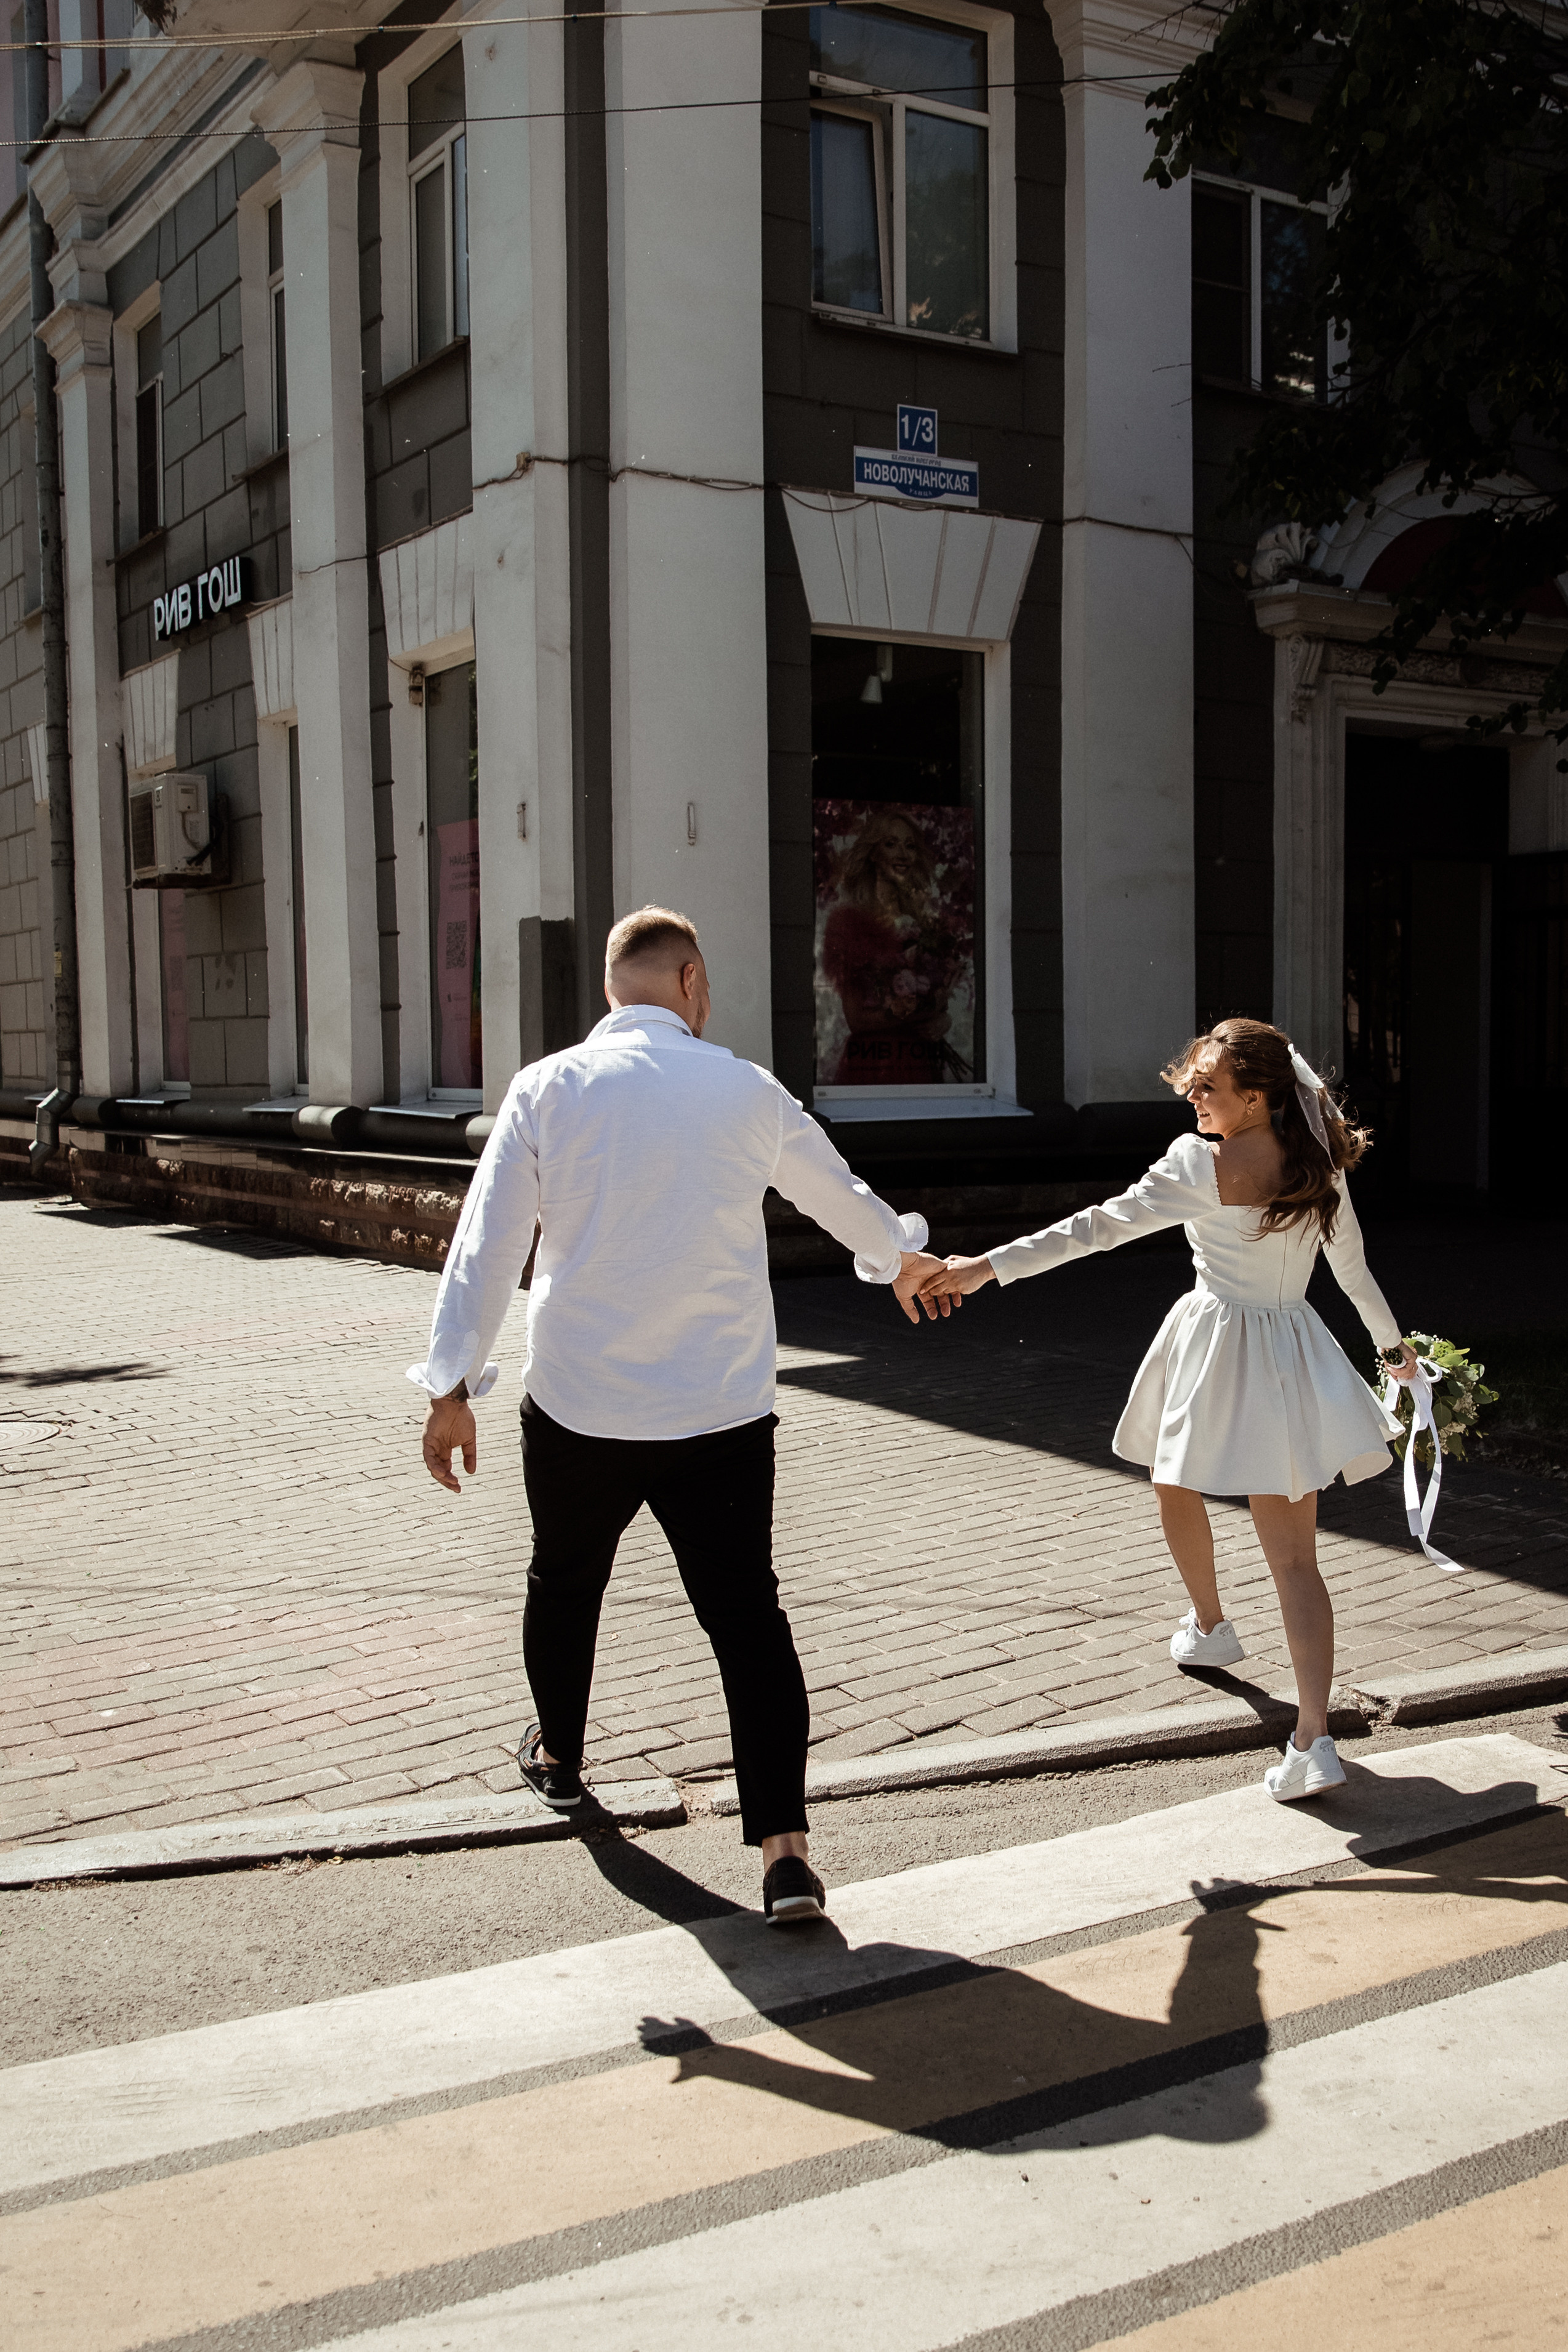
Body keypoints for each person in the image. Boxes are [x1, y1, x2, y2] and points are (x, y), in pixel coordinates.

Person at [411, 906, 949, 1924]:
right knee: (747, 1617)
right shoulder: (742, 1089)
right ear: (691, 980)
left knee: (564, 1584)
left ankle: (562, 1761)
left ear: (615, 992)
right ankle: (785, 1852)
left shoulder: (547, 1088)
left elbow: (488, 1247)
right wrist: (901, 1261)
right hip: (719, 1409)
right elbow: (840, 1199)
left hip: (580, 1403)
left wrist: (451, 1387)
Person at [919, 1018, 1419, 1802]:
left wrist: (983, 1269)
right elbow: (1352, 1269)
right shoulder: (1319, 1161)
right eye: (1191, 1079)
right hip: (1291, 1349)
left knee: (1179, 1477)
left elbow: (1095, 1229)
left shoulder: (1199, 1164)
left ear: (1255, 1097)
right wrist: (1395, 1352)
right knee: (1274, 1544)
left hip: (1216, 1340)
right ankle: (1296, 1715)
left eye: (1209, 1085)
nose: (1192, 1094)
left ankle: (1233, 1647)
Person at [819, 808, 969, 1085]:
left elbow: (938, 1000)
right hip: (874, 1063)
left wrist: (943, 1020)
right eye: (891, 844)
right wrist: (921, 1013)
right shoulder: (850, 924)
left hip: (920, 1060)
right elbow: (857, 1020)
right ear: (874, 853)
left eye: (909, 846)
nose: (902, 854)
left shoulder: (926, 926)